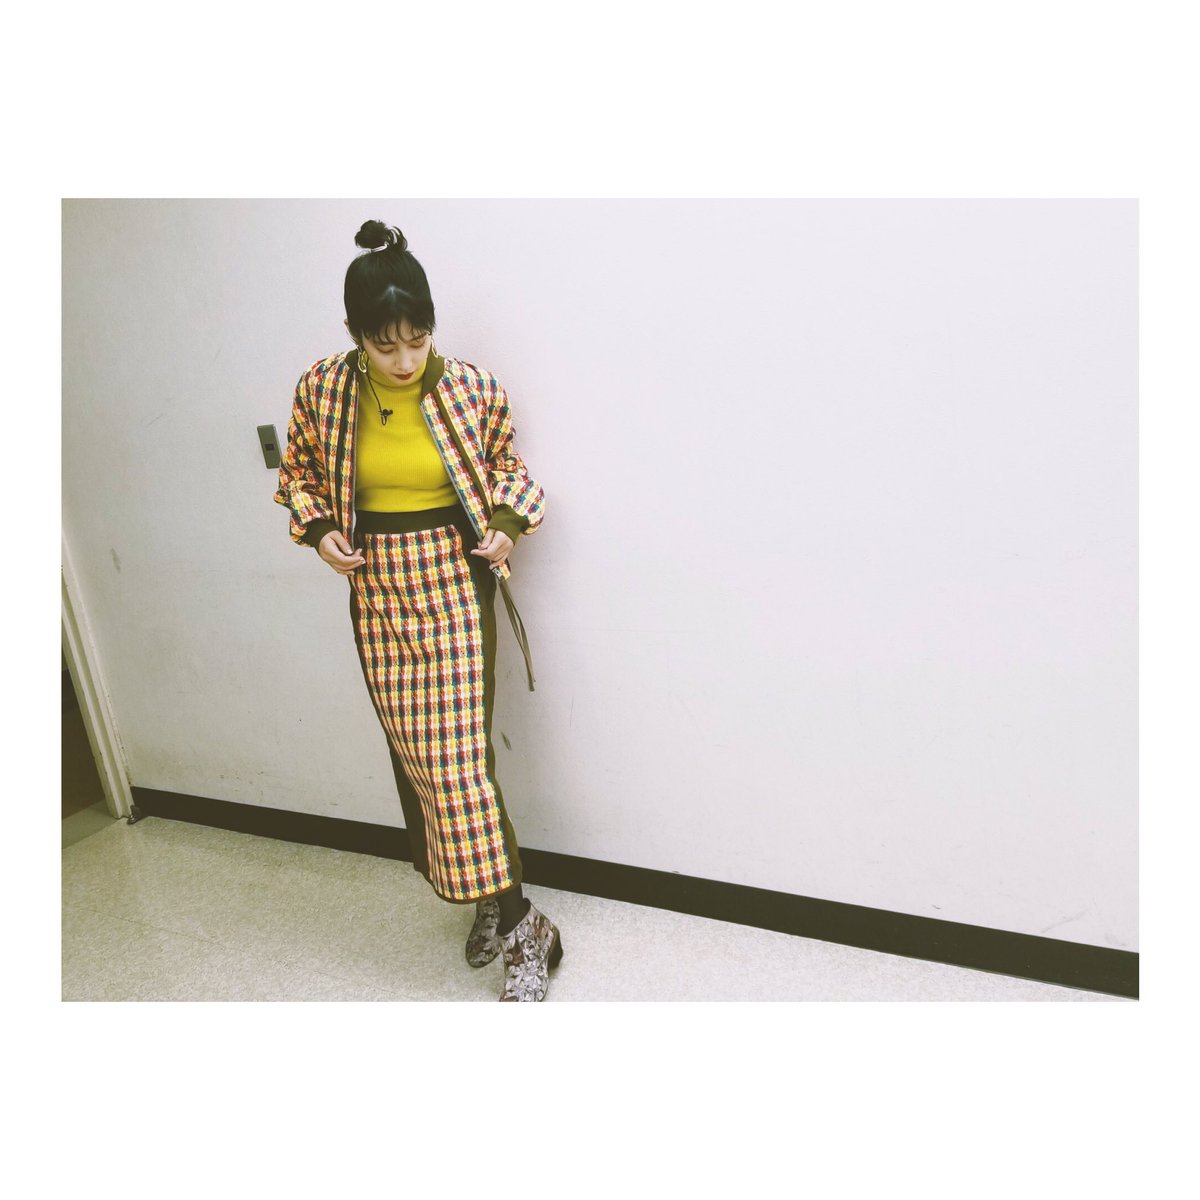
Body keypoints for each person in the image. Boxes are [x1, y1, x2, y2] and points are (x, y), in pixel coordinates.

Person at [274, 219, 561, 1002]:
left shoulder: (471, 387)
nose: (404, 360)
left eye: (417, 339)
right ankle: (491, 897)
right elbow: (297, 475)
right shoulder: (323, 389)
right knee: (421, 761)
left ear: (433, 326)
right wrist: (321, 532)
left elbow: (508, 468)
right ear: (354, 333)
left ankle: (524, 925)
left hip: (453, 580)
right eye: (385, 344)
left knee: (459, 761)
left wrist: (504, 526)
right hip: (377, 587)